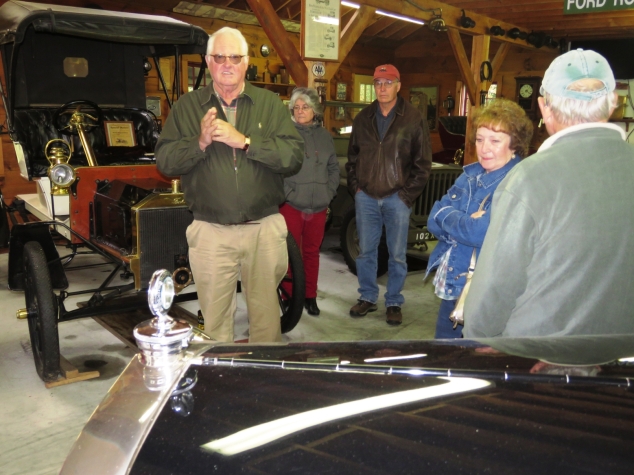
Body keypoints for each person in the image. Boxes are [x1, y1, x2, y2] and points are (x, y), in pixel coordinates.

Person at [464, 49, 634, 338]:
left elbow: (496, 286)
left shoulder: (529, 178)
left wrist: (476, 344)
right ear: (614, 102)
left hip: (538, 355)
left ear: (544, 107)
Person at [155, 27, 303, 343]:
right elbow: (165, 162)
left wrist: (246, 141)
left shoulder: (270, 104)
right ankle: (219, 383)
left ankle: (263, 382)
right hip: (210, 233)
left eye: (234, 57)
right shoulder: (186, 107)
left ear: (246, 62)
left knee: (266, 323)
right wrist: (201, 142)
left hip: (263, 229)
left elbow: (293, 156)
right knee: (215, 324)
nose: (227, 64)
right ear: (209, 62)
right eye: (219, 57)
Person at [425, 99, 533, 339]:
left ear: (514, 144)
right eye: (480, 139)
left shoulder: (516, 183)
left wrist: (451, 218)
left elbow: (479, 232)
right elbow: (433, 219)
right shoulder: (469, 175)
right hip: (455, 283)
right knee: (444, 360)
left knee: (479, 361)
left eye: (495, 141)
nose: (485, 148)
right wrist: (463, 220)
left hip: (488, 291)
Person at [346, 64, 431, 326]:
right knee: (366, 252)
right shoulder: (363, 119)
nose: (382, 88)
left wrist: (405, 197)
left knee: (396, 255)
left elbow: (422, 164)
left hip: (397, 198)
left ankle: (394, 301)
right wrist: (356, 189)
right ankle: (368, 297)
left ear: (398, 85)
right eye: (378, 83)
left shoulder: (413, 118)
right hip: (367, 197)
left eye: (387, 82)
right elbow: (352, 158)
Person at [279, 87, 339, 316]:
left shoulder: (324, 137)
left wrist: (328, 191)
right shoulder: (286, 135)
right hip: (292, 205)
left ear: (315, 110)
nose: (301, 110)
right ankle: (288, 296)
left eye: (305, 107)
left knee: (312, 252)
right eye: (297, 107)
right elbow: (279, 168)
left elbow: (333, 167)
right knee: (290, 254)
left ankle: (309, 296)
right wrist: (288, 192)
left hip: (318, 205)